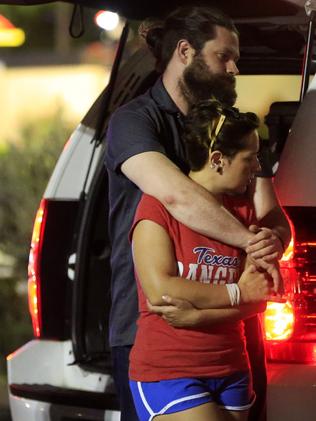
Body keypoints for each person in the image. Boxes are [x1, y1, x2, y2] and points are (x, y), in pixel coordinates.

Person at [105, 6, 291, 421]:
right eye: (224, 56)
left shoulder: (232, 129)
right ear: (185, 52)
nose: (234, 68)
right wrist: (250, 242)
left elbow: (271, 214)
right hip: (152, 326)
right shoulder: (135, 121)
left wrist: (272, 238)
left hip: (232, 333)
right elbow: (176, 197)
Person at [129, 99, 273, 421]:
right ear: (218, 159)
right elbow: (161, 290)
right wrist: (237, 293)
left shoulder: (243, 213)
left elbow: (260, 298)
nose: (256, 167)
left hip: (232, 368)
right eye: (249, 159)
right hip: (169, 371)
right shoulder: (156, 207)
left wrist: (197, 316)